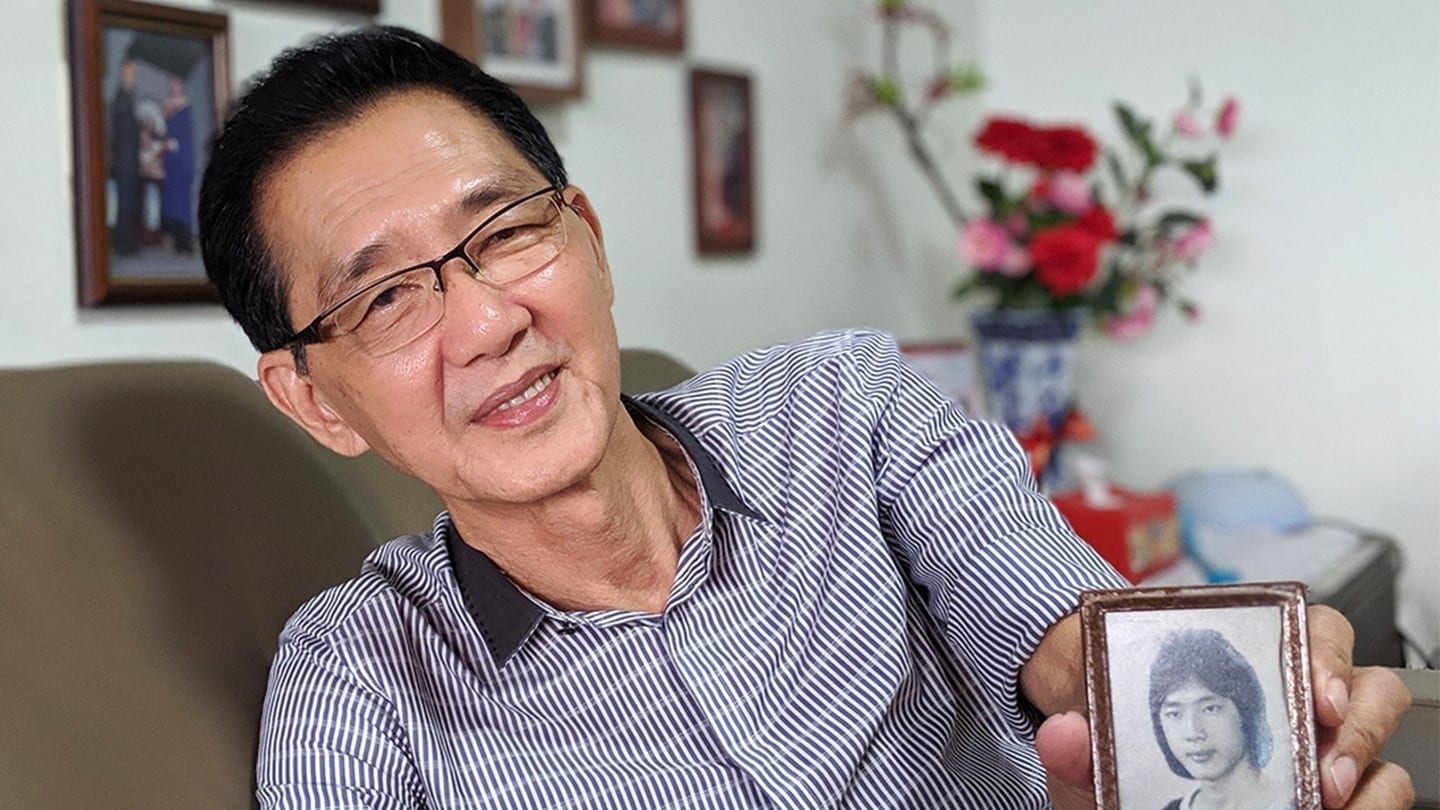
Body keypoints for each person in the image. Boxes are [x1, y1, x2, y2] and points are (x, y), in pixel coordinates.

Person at [198, 26, 1414, 810]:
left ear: (590, 240)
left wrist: (1220, 694)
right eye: (386, 297)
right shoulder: (357, 683)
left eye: (506, 232)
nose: (485, 322)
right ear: (315, 399)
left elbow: (1060, 632)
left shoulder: (843, 404)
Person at [1148, 629, 1291, 810]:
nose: (1193, 732)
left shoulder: (1300, 801)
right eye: (1174, 714)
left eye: (1210, 709)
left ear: (1245, 711)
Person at [109, 58, 141, 256]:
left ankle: (128, 244)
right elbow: (121, 133)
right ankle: (124, 245)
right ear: (123, 75)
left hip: (129, 160)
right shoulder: (121, 99)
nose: (133, 77)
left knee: (130, 203)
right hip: (125, 160)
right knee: (125, 204)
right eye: (130, 73)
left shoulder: (128, 97)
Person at [160, 77, 196, 254]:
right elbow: (164, 131)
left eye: (177, 87)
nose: (174, 90)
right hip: (172, 164)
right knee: (173, 204)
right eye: (172, 87)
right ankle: (177, 242)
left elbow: (183, 137)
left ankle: (185, 244)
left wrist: (170, 144)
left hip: (182, 161)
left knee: (182, 205)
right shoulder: (168, 108)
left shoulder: (185, 109)